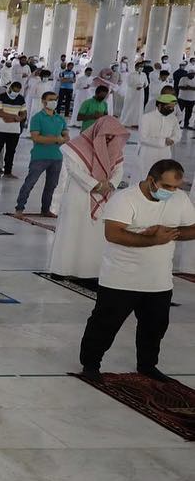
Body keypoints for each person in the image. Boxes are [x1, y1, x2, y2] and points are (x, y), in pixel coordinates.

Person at [79, 158, 195, 381]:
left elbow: (192, 229)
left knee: (155, 327)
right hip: (121, 277)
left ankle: (147, 365)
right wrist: (153, 239)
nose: (172, 192)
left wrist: (169, 233)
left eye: (176, 187)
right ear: (152, 180)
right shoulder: (125, 199)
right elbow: (113, 233)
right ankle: (91, 365)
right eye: (167, 186)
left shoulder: (179, 199)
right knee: (105, 324)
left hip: (158, 280)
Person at [48, 116, 129, 281]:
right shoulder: (76, 147)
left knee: (93, 236)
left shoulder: (114, 149)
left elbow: (119, 170)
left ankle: (90, 272)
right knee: (72, 233)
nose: (109, 139)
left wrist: (111, 184)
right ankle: (62, 269)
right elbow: (73, 170)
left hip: (104, 195)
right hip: (78, 196)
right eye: (106, 135)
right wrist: (96, 185)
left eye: (112, 136)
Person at [12, 90, 68, 217]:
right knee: (30, 182)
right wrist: (55, 139)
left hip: (56, 157)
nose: (54, 102)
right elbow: (36, 138)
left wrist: (57, 139)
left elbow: (66, 135)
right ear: (44, 102)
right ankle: (19, 208)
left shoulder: (60, 118)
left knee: (51, 185)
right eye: (51, 99)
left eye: (55, 99)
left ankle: (46, 209)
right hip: (40, 156)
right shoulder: (37, 118)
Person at [0, 80, 27, 176]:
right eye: (14, 90)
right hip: (0, 129)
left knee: (11, 151)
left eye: (18, 91)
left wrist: (19, 118)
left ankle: (8, 172)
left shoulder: (21, 99)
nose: (15, 93)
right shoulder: (0, 97)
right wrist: (14, 117)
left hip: (14, 131)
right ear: (10, 89)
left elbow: (23, 113)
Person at [135, 91, 180, 177]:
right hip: (148, 153)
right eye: (168, 107)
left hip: (165, 153)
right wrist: (163, 141)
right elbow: (143, 138)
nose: (171, 110)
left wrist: (173, 140)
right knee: (145, 175)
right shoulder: (147, 117)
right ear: (159, 106)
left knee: (161, 176)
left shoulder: (173, 118)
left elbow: (177, 134)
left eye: (172, 107)